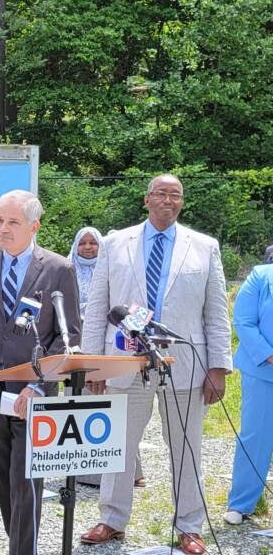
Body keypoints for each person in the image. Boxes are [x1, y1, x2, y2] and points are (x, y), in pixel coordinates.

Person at [79, 174, 232, 555]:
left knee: (186, 447)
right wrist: (93, 365)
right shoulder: (115, 244)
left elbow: (216, 313)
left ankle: (189, 526)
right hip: (125, 360)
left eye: (175, 195)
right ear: (146, 200)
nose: (168, 200)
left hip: (183, 362)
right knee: (118, 445)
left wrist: (218, 367)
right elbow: (97, 308)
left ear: (182, 203)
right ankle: (112, 519)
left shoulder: (204, 247)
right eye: (161, 194)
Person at [0, 189, 81, 555]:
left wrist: (40, 386)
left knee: (27, 481)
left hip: (33, 395)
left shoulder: (58, 269)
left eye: (13, 222)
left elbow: (68, 335)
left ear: (34, 225)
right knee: (6, 481)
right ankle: (21, 545)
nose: (3, 229)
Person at [67, 227, 146, 489]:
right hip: (75, 343)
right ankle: (86, 472)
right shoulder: (67, 271)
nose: (88, 248)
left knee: (116, 405)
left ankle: (131, 471)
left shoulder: (112, 270)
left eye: (93, 243)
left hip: (111, 343)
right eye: (83, 243)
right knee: (82, 403)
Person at [223, 262, 273, 525]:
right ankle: (241, 504)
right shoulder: (260, 276)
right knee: (256, 437)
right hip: (264, 371)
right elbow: (243, 321)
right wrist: (269, 354)